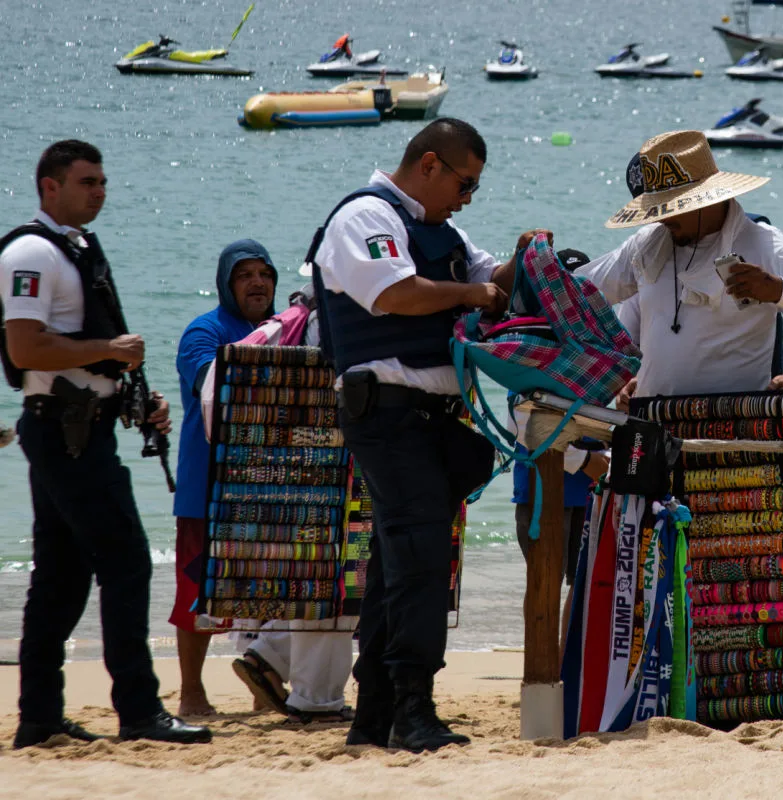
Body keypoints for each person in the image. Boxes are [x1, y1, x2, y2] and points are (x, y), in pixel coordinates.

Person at [311, 117, 541, 752]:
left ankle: (375, 713)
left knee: (397, 564)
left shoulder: (446, 231)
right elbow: (398, 294)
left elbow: (497, 284)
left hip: (430, 418)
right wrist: (475, 293)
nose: (468, 198)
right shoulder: (364, 217)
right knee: (419, 560)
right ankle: (413, 708)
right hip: (385, 412)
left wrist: (529, 260)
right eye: (465, 183)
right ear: (431, 164)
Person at [0, 139, 210, 748]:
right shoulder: (32, 251)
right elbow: (26, 348)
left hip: (78, 429)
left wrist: (133, 402)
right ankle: (140, 711)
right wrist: (109, 352)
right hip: (62, 434)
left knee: (61, 577)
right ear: (49, 187)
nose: (99, 190)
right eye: (86, 181)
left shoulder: (76, 248)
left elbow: (76, 356)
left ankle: (39, 718)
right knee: (125, 562)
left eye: (102, 181)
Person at [174, 242, 354, 722]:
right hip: (207, 487)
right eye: (244, 276)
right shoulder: (204, 332)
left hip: (269, 482)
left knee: (271, 586)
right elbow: (216, 383)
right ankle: (191, 693)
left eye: (263, 274)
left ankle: (263, 685)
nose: (256, 283)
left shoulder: (287, 329)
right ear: (225, 284)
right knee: (196, 594)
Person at [575, 129, 783, 404]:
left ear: (707, 199)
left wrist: (777, 291)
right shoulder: (647, 245)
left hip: (734, 426)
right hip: (651, 422)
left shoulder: (763, 242)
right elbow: (580, 295)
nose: (662, 219)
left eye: (670, 208)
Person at [510, 248, 610, 659]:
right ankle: (543, 665)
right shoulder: (532, 351)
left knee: (583, 583)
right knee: (545, 582)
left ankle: (571, 661)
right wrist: (588, 461)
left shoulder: (591, 354)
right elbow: (527, 427)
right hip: (542, 493)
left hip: (586, 494)